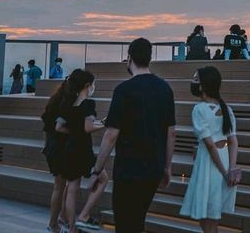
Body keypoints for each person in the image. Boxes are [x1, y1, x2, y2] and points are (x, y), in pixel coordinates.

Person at [87, 37, 176, 233]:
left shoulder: (123, 90)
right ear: (149, 58)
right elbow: (171, 133)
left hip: (128, 169)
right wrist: (167, 167)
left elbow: (110, 135)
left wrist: (96, 170)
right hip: (154, 167)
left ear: (129, 58)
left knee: (126, 223)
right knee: (138, 219)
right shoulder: (165, 89)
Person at [180, 66, 239, 233]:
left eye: (196, 79)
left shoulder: (199, 109)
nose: (192, 81)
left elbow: (210, 145)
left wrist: (224, 172)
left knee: (207, 217)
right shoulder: (227, 109)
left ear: (203, 85)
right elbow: (233, 141)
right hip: (224, 160)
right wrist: (231, 168)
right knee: (212, 215)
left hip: (209, 163)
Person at [58, 69, 108, 233]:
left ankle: (71, 227)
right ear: (87, 85)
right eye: (93, 84)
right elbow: (88, 127)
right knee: (103, 179)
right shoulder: (88, 104)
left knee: (72, 188)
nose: (94, 87)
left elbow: (59, 127)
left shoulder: (67, 103)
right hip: (82, 149)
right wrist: (104, 124)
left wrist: (75, 131)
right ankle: (84, 215)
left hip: (69, 148)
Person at [41, 79, 70, 233]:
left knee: (60, 186)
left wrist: (45, 146)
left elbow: (46, 127)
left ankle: (59, 220)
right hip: (62, 148)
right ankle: (53, 223)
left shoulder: (53, 101)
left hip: (52, 147)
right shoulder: (67, 105)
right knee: (60, 186)